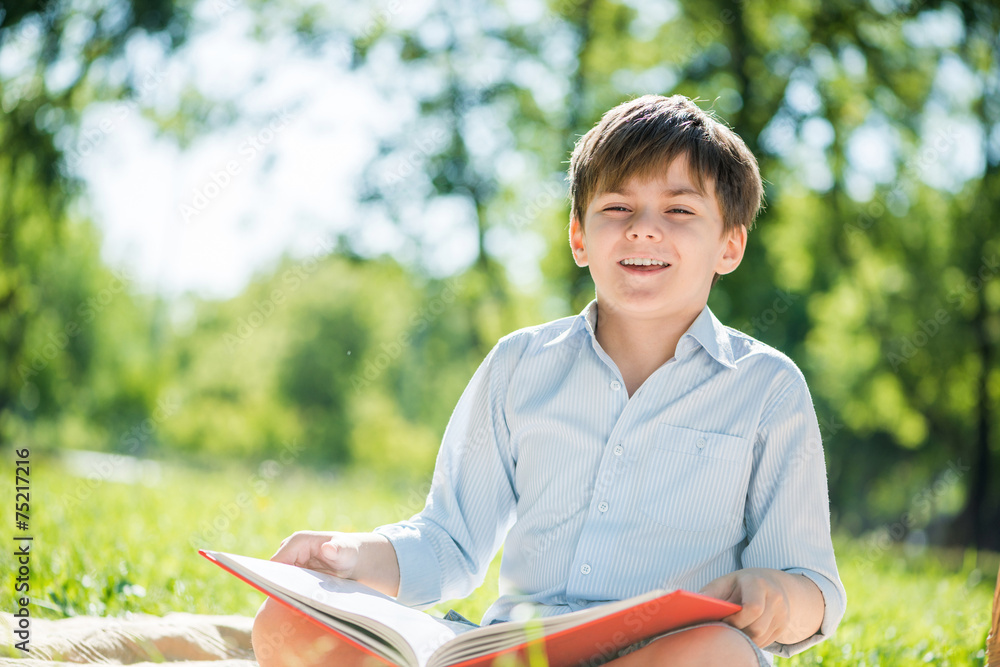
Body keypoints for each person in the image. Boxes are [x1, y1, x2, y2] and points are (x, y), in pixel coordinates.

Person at [251, 94, 846, 667]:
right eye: (617, 207)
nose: (643, 228)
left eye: (680, 210)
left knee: (717, 656)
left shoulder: (768, 388)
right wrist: (349, 556)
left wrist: (778, 595)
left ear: (730, 245)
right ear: (579, 237)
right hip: (516, 648)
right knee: (288, 622)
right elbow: (450, 541)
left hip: (665, 653)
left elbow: (813, 588)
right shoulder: (519, 365)